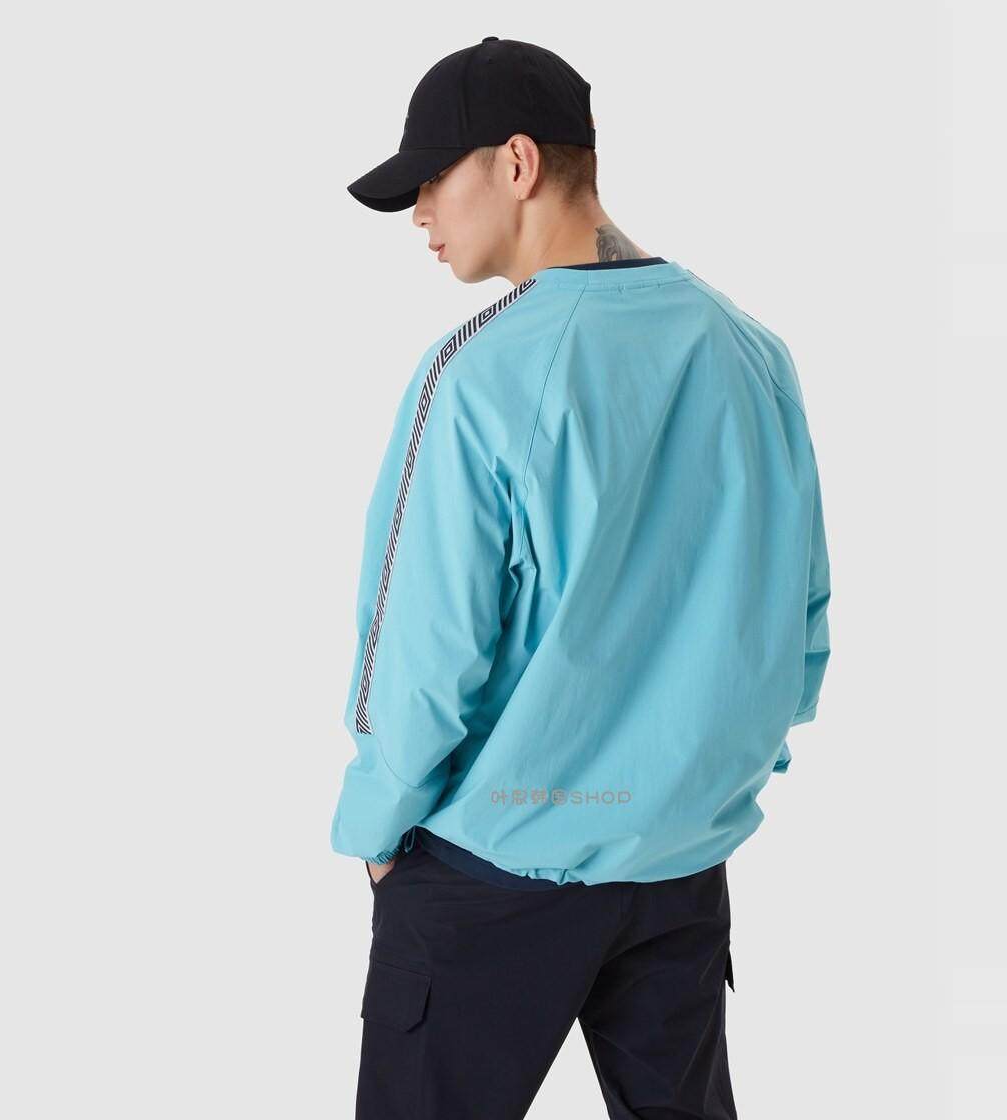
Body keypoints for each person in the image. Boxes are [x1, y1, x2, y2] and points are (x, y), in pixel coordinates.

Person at [331, 36, 831, 1120]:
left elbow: (421, 655)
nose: (420, 213)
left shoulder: (479, 374)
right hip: (679, 871)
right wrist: (693, 787)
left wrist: (376, 827)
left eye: (432, 179)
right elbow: (801, 627)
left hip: (490, 868)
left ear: (516, 164)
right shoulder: (753, 353)